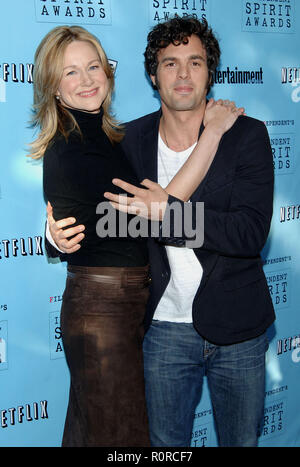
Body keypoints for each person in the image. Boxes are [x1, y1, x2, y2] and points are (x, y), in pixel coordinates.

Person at [33, 25, 242, 447]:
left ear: (109, 72)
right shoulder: (71, 145)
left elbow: (108, 218)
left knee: (92, 434)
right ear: (52, 86)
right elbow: (148, 215)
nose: (87, 79)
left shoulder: (108, 137)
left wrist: (58, 234)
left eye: (94, 66)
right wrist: (213, 135)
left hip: (119, 309)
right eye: (71, 72)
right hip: (102, 312)